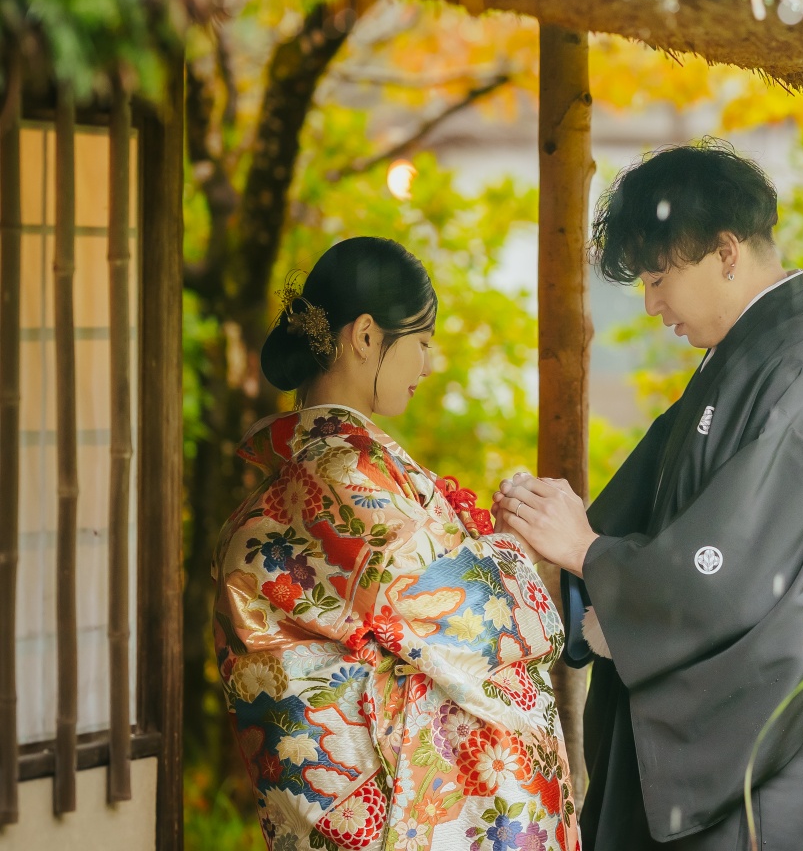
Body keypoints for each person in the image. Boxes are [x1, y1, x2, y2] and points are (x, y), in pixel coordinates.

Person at [493, 141, 803, 851]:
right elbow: (646, 518)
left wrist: (588, 551)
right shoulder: (745, 362)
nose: (651, 304)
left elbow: (730, 578)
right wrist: (552, 526)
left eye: (659, 277)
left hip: (769, 775)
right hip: (734, 760)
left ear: (726, 252)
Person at [213, 237, 579, 851]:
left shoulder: (333, 468)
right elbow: (433, 612)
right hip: (375, 803)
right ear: (365, 336)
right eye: (422, 342)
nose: (427, 365)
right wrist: (516, 546)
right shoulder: (338, 474)